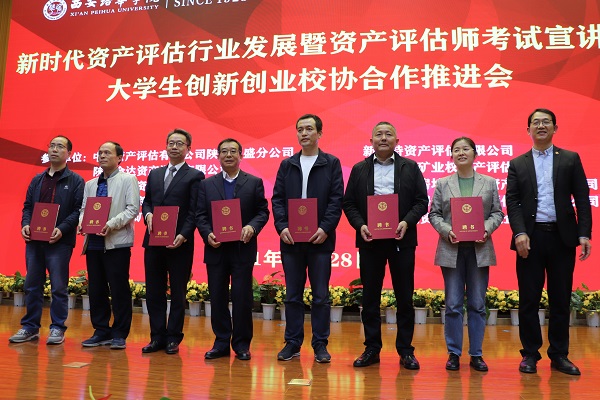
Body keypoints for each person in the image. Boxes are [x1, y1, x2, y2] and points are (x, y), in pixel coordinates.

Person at [506, 108, 592, 376]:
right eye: (536, 122)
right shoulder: (517, 163)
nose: (541, 126)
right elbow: (513, 202)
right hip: (530, 239)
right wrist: (519, 233)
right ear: (528, 129)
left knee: (561, 298)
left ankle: (559, 354)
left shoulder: (569, 159)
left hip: (562, 237)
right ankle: (530, 354)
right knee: (529, 299)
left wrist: (584, 233)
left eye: (546, 122)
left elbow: (582, 197)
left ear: (555, 128)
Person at [343, 121, 428, 369]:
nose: (383, 138)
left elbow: (421, 201)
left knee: (404, 296)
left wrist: (406, 222)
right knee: (370, 297)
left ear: (396, 141)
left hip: (402, 240)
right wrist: (360, 225)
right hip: (370, 241)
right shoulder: (359, 169)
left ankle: (406, 350)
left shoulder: (410, 167)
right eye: (378, 134)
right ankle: (372, 348)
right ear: (370, 141)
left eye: (388, 134)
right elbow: (349, 203)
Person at [271, 114, 344, 363]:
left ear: (319, 133)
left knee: (320, 295)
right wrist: (282, 227)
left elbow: (336, 200)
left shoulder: (331, 163)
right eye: (300, 129)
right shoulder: (287, 164)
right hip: (291, 240)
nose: (304, 133)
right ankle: (292, 343)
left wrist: (325, 228)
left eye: (309, 129)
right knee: (292, 295)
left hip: (320, 240)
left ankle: (320, 344)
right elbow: (277, 199)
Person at [428, 137, 504, 371]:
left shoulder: (489, 182)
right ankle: (453, 353)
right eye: (456, 150)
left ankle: (476, 354)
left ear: (475, 154)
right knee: (452, 304)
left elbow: (497, 213)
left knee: (478, 304)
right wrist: (447, 231)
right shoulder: (443, 183)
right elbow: (434, 214)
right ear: (451, 155)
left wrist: (486, 229)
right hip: (452, 249)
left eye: (465, 149)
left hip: (479, 249)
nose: (461, 153)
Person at [196, 138, 269, 361]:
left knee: (242, 298)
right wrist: (207, 233)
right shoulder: (207, 184)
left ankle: (241, 344)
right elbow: (200, 215)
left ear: (241, 155)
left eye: (233, 151)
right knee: (217, 297)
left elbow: (262, 212)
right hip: (216, 248)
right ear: (218, 156)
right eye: (224, 151)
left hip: (242, 248)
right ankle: (220, 343)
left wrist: (252, 227)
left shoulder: (253, 182)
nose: (228, 155)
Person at [9, 136, 84, 345]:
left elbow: (78, 211)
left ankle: (57, 328)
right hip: (35, 241)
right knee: (32, 285)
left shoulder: (76, 180)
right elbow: (27, 207)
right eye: (52, 146)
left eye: (60, 146)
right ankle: (30, 327)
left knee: (58, 287)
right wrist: (25, 224)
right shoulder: (37, 179)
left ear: (69, 153)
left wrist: (61, 229)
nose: (54, 149)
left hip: (59, 242)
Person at [141, 129, 204, 355]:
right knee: (154, 291)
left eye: (179, 143)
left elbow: (195, 210)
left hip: (180, 243)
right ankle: (157, 337)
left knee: (178, 292)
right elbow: (147, 202)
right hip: (154, 241)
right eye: (171, 143)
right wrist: (148, 214)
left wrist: (184, 235)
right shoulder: (155, 173)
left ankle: (173, 337)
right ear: (166, 146)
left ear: (188, 148)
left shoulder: (195, 175)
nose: (174, 147)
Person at [79, 141, 140, 350]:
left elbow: (132, 209)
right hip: (93, 243)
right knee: (96, 289)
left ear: (119, 158)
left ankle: (120, 333)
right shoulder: (90, 184)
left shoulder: (128, 179)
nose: (102, 156)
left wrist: (111, 224)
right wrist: (82, 223)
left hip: (117, 243)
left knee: (119, 289)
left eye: (107, 152)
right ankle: (101, 330)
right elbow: (84, 209)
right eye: (100, 153)